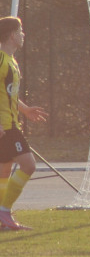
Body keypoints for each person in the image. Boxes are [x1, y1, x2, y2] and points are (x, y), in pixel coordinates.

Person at [0, 17, 49, 231]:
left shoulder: (11, 61)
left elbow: (8, 94)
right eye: (20, 31)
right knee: (29, 165)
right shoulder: (1, 59)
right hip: (5, 127)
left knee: (4, 172)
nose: (23, 35)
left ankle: (2, 219)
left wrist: (25, 109)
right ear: (11, 34)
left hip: (11, 125)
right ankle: (4, 212)